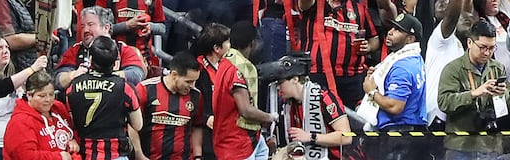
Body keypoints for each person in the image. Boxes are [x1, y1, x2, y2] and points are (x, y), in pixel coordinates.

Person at [436, 19, 510, 160]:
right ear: (469, 43)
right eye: (482, 47)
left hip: (490, 145)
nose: (487, 53)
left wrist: (504, 94)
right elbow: (444, 102)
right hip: (460, 146)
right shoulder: (453, 69)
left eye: (492, 48)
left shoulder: (497, 68)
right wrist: (474, 94)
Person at [64, 36, 143, 160]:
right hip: (116, 154)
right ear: (116, 62)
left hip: (86, 154)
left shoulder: (72, 87)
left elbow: (72, 122)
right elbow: (138, 125)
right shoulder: (125, 88)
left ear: (90, 60)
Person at [0, 36, 47, 160]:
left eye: (7, 47)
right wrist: (32, 69)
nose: (5, 51)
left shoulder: (11, 79)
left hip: (11, 146)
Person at [212, 21, 275, 160]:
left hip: (249, 140)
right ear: (252, 43)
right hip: (236, 143)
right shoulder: (239, 68)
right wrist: (270, 117)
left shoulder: (225, 62)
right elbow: (246, 110)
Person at [271, 55, 352, 160]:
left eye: (281, 82)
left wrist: (311, 137)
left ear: (295, 79)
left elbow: (347, 137)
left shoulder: (323, 98)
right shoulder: (286, 104)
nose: (278, 87)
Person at [361, 13, 427, 131]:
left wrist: (371, 91)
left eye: (397, 30)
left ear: (410, 39)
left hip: (396, 131)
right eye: (391, 28)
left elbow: (395, 106)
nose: (390, 32)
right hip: (405, 127)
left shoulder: (403, 67)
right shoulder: (413, 57)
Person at [136, 53, 205, 160]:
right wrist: (139, 155)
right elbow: (132, 126)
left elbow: (197, 126)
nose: (192, 86)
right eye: (188, 81)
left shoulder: (196, 95)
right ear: (174, 75)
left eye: (195, 81)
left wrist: (197, 156)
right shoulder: (146, 89)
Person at [4, 71, 74, 160]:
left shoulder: (59, 108)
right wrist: (58, 157)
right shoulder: (20, 122)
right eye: (42, 96)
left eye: (51, 94)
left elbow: (73, 131)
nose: (48, 99)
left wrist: (74, 142)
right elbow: (25, 156)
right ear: (29, 95)